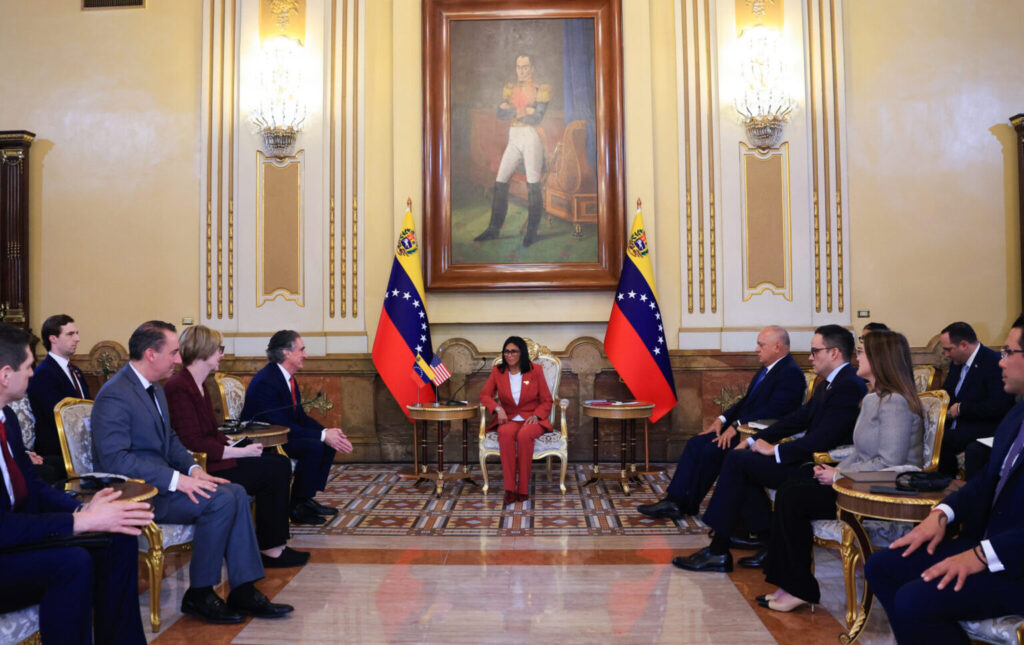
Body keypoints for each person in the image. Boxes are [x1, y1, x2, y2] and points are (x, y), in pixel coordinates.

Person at [93, 321, 292, 624]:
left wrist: (194, 468)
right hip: (140, 495)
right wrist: (177, 479)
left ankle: (243, 588)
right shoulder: (115, 395)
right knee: (223, 500)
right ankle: (199, 593)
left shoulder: (155, 390)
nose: (178, 359)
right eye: (173, 353)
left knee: (235, 492)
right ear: (150, 354)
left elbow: (170, 439)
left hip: (165, 484)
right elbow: (116, 459)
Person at [865, 314, 1024, 644]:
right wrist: (942, 514)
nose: (1000, 363)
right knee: (881, 566)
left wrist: (981, 556)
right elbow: (985, 483)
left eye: (1008, 352)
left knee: (915, 600)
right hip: (992, 547)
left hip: (1015, 564)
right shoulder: (1016, 414)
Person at [0, 322, 153, 645]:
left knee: (118, 537)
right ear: (5, 375)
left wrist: (84, 508)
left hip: (19, 537)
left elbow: (35, 486)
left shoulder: (7, 418)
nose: (32, 374)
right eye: (28, 367)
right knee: (72, 562)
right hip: (6, 545)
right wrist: (77, 522)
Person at [673, 324, 867, 573]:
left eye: (815, 351)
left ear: (834, 353)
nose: (809, 356)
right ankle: (762, 540)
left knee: (737, 461)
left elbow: (822, 440)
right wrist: (754, 441)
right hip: (803, 459)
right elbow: (797, 419)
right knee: (740, 459)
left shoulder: (848, 386)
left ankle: (719, 550)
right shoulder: (828, 383)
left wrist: (774, 451)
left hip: (816, 469)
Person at [758, 330, 925, 612]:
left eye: (863, 353)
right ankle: (791, 583)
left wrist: (837, 476)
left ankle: (797, 587)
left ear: (880, 359)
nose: (857, 357)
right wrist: (830, 469)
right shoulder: (874, 398)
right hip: (856, 482)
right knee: (793, 485)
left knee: (793, 497)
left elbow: (891, 463)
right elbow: (860, 451)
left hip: (878, 493)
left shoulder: (896, 402)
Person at [164, 325, 309, 567]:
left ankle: (274, 544)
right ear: (204, 351)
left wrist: (235, 443)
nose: (222, 354)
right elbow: (192, 442)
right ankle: (271, 549)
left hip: (216, 458)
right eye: (219, 349)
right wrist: (239, 451)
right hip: (205, 467)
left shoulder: (198, 384)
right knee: (275, 469)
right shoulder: (179, 387)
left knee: (278, 462)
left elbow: (211, 431)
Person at [637, 326, 805, 521]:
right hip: (740, 429)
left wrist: (736, 426)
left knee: (711, 450)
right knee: (695, 443)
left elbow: (775, 411)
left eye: (761, 345)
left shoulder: (790, 373)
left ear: (777, 347)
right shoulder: (768, 369)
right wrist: (722, 419)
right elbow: (746, 401)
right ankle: (673, 500)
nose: (756, 349)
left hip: (757, 436)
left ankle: (687, 504)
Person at [240, 330, 353, 525]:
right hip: (266, 439)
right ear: (286, 353)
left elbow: (299, 417)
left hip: (282, 433)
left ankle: (304, 499)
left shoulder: (288, 378)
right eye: (302, 350)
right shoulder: (267, 381)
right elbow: (282, 424)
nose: (306, 355)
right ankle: (296, 507)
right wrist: (322, 436)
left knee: (325, 443)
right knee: (314, 446)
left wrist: (328, 432)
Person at [473, 53, 551, 247]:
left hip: (531, 137)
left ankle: (531, 233)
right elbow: (500, 114)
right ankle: (493, 229)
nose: (521, 71)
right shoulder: (510, 89)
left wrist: (513, 110)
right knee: (500, 182)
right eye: (518, 67)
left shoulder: (541, 89)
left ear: (532, 68)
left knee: (533, 185)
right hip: (514, 136)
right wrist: (524, 110)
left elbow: (536, 118)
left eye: (525, 67)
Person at [479, 336, 553, 505]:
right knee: (504, 432)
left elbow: (547, 400)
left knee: (524, 435)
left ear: (522, 353)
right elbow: (484, 395)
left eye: (513, 351)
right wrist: (498, 409)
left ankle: (523, 489)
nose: (509, 355)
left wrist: (537, 415)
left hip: (532, 419)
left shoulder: (536, 370)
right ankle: (510, 489)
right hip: (510, 418)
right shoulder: (498, 371)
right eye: (506, 351)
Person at [937, 321, 1014, 477]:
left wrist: (962, 408)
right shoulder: (957, 362)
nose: (946, 355)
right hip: (957, 424)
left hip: (983, 426)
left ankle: (945, 487)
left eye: (948, 349)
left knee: (943, 440)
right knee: (933, 435)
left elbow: (999, 405)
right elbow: (946, 393)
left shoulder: (993, 363)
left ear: (964, 345)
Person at [26, 313, 91, 482]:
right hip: (59, 453)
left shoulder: (76, 371)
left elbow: (89, 407)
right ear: (53, 338)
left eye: (76, 333)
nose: (77, 338)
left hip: (83, 448)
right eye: (70, 334)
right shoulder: (43, 374)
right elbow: (57, 415)